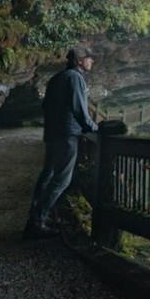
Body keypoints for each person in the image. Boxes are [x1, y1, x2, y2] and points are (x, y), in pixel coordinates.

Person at [23, 45, 99, 239]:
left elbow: (46, 105)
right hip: (67, 136)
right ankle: (37, 221)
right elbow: (80, 110)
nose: (92, 61)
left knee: (47, 174)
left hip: (53, 133)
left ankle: (36, 216)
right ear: (80, 61)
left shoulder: (57, 78)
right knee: (62, 179)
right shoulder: (75, 78)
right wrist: (95, 127)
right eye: (89, 58)